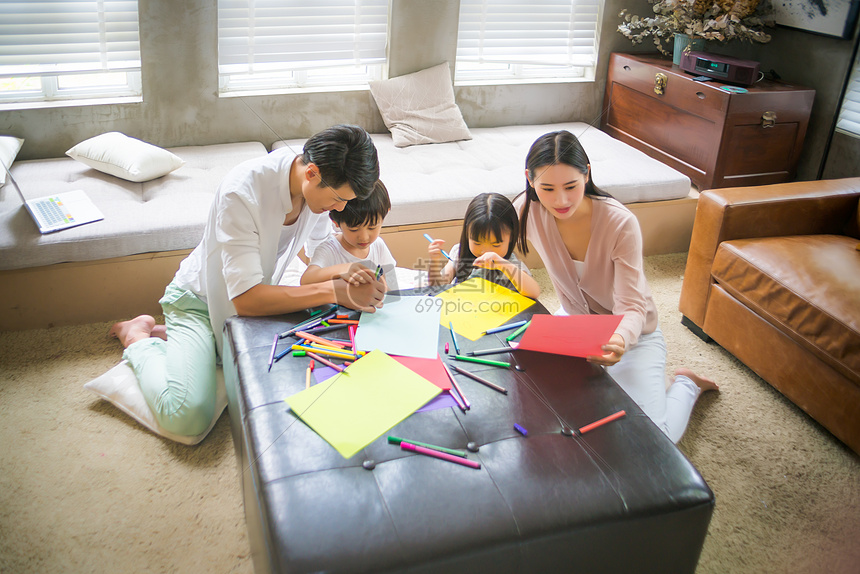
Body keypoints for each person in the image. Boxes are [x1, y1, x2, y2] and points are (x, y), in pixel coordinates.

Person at [109, 125, 385, 438]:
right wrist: (333, 291)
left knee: (300, 365)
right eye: (338, 199)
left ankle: (179, 339)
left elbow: (317, 255)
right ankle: (137, 337)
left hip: (252, 294)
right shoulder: (241, 191)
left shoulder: (319, 190)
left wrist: (345, 270)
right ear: (311, 173)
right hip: (199, 301)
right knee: (188, 415)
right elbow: (246, 300)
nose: (341, 209)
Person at [514, 130, 718, 443]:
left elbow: (633, 307)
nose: (561, 200)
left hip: (632, 335)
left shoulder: (620, 223)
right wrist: (455, 263)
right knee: (524, 383)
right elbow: (483, 238)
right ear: (529, 179)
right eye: (547, 188)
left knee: (652, 439)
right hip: (575, 324)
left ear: (587, 173)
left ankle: (687, 385)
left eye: (571, 186)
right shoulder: (528, 209)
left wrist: (620, 339)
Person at [427, 192, 540, 299]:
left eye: (496, 244)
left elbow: (534, 292)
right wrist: (434, 262)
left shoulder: (510, 262)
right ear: (467, 234)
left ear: (511, 237)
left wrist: (504, 265)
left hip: (499, 314)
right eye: (477, 243)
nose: (485, 251)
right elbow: (437, 287)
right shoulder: (459, 253)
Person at [300, 180, 396, 288]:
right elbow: (306, 280)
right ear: (336, 222)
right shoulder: (329, 250)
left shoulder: (378, 246)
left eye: (372, 227)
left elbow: (390, 280)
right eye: (354, 229)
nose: (364, 237)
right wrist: (341, 270)